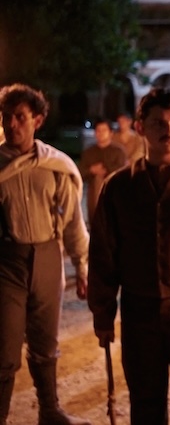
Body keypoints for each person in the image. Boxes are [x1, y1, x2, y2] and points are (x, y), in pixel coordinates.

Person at [88, 88, 170, 425]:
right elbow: (103, 252)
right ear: (140, 127)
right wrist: (103, 312)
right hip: (139, 311)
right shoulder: (119, 186)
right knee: (145, 401)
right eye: (158, 122)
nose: (168, 130)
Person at [0, 84, 90, 425]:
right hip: (7, 261)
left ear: (37, 120)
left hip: (48, 256)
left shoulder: (55, 166)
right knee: (5, 348)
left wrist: (82, 265)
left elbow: (73, 221)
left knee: (45, 341)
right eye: (6, 116)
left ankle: (50, 411)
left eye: (20, 117)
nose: (11, 124)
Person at [78, 118, 127, 224]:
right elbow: (80, 173)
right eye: (98, 131)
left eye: (104, 130)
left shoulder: (118, 151)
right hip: (93, 193)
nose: (101, 133)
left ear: (111, 133)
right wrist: (91, 170)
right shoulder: (89, 152)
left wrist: (105, 170)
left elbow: (123, 171)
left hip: (114, 191)